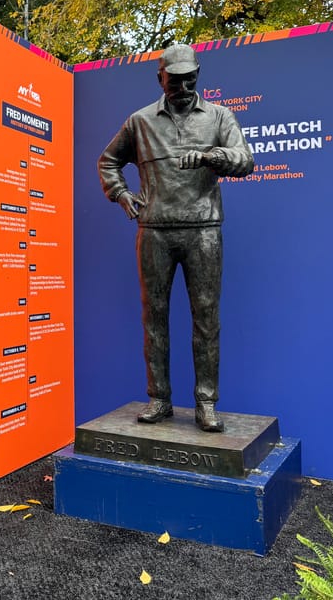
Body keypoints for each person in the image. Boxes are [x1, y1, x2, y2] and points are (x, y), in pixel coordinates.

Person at [98, 44, 254, 432]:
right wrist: (120, 193)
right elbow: (108, 161)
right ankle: (160, 398)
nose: (183, 86)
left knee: (206, 317)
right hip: (154, 231)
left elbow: (245, 161)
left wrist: (210, 156)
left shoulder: (219, 116)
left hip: (203, 230)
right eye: (175, 80)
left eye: (190, 79)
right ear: (160, 79)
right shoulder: (140, 122)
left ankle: (206, 401)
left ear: (198, 75)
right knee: (155, 317)